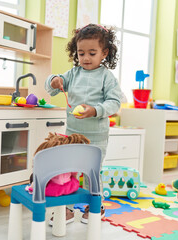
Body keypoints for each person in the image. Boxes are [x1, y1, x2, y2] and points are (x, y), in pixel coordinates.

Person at [45, 23, 122, 224]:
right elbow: (54, 84)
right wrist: (53, 80)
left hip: (96, 136)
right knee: (68, 171)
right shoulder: (73, 73)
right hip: (73, 134)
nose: (85, 58)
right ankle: (68, 209)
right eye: (81, 53)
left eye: (92, 53)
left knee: (91, 173)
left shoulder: (107, 77)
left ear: (104, 53)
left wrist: (95, 110)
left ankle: (95, 206)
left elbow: (114, 103)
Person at [26, 132, 91, 225]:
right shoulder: (70, 159)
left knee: (35, 178)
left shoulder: (50, 159)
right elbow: (74, 174)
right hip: (71, 187)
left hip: (53, 190)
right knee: (69, 179)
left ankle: (32, 187)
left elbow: (43, 176)